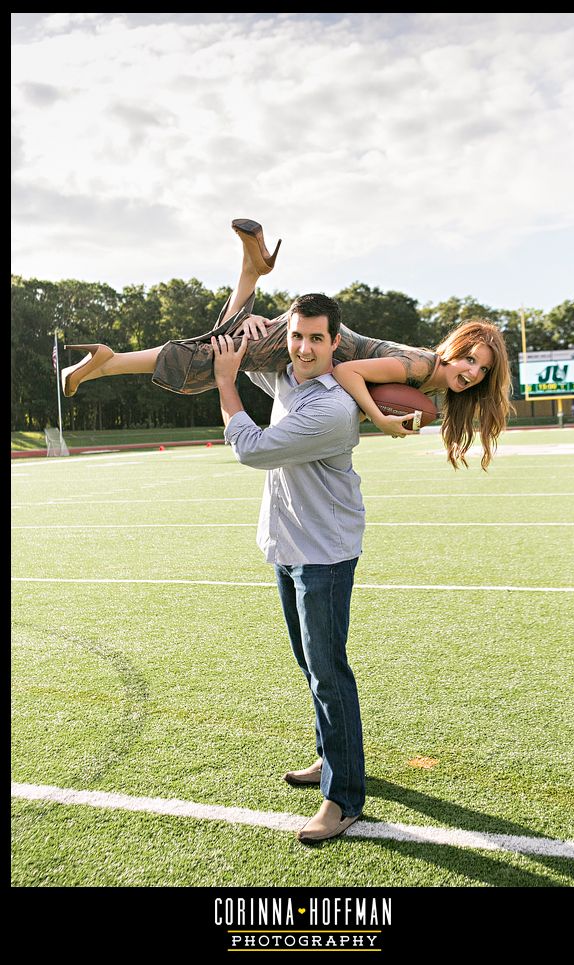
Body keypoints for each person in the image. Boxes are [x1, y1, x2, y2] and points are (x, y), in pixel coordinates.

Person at [60, 219, 513, 469]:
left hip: (315, 346)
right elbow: (348, 371)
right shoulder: (419, 367)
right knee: (210, 362)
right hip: (317, 344)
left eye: (481, 371)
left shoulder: (433, 376)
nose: (471, 372)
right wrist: (380, 418)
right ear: (455, 348)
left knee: (225, 344)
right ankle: (110, 360)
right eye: (470, 359)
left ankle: (250, 269)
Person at [211, 293, 366, 843]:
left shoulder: (331, 407)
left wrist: (226, 384)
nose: (303, 348)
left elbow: (251, 449)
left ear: (335, 344)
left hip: (323, 553)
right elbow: (237, 348)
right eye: (296, 336)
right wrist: (248, 324)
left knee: (328, 673)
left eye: (316, 338)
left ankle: (344, 798)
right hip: (289, 546)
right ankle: (332, 759)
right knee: (310, 665)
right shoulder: (288, 382)